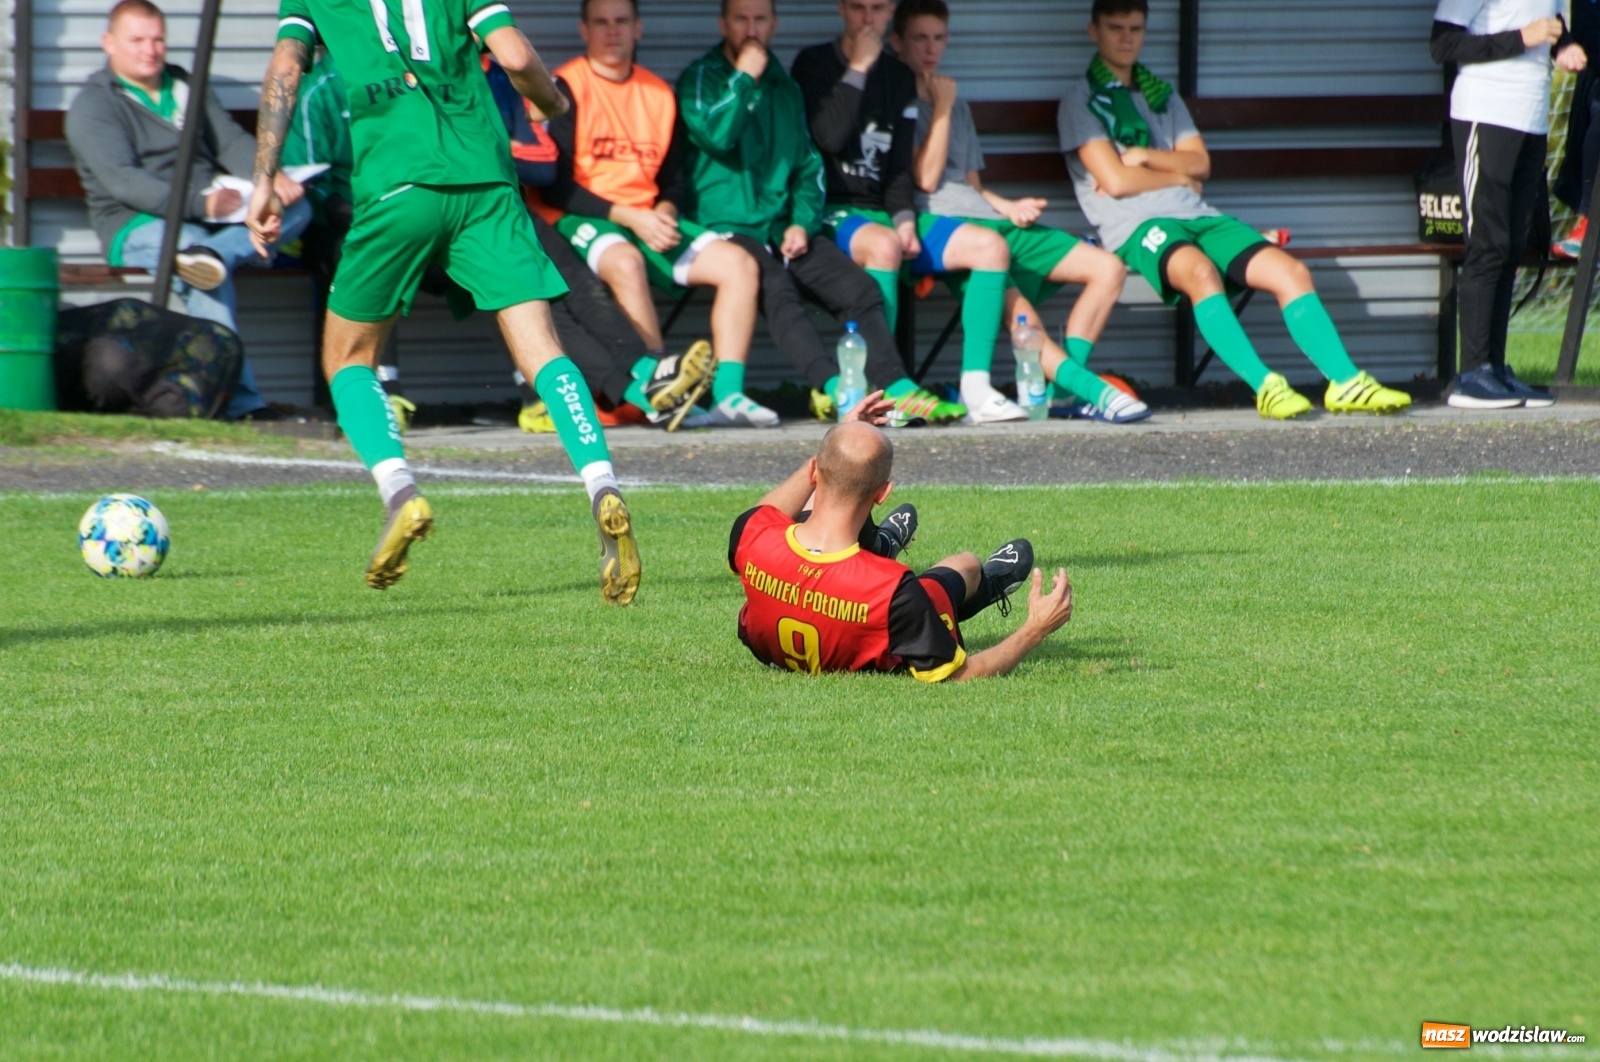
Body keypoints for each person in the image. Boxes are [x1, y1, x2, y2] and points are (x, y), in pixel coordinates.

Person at [251, 0, 643, 603]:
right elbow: (514, 55)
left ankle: (401, 493)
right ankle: (601, 484)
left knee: (349, 359)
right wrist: (554, 102)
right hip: (484, 182)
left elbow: (286, 69)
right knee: (542, 350)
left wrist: (263, 179)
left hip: (398, 184)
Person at [1059, 0, 1412, 419]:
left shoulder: (1160, 94)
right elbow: (1117, 182)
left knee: (1292, 272)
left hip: (1200, 214)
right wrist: (1173, 173)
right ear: (1092, 31)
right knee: (1201, 273)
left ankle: (1345, 380)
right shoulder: (1080, 102)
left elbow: (1201, 164)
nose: (1126, 38)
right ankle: (1266, 386)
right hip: (1139, 224)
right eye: (1115, 28)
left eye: (1135, 28)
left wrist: (1142, 156)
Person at [678, 0, 940, 425]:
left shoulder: (784, 85)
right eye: (741, 19)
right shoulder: (703, 77)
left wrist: (801, 222)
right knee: (778, 286)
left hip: (780, 227)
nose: (751, 29)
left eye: (760, 19)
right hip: (721, 226)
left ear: (774, 24)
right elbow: (715, 136)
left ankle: (894, 387)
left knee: (858, 290)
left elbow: (809, 167)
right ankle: (839, 391)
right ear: (722, 23)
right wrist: (745, 76)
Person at [892, 0, 1148, 424]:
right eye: (920, 38)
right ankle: (1096, 392)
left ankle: (1064, 390)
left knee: (1108, 268)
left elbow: (970, 185)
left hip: (988, 219)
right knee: (1024, 317)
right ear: (898, 42)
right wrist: (938, 105)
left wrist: (1008, 205)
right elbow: (925, 177)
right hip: (946, 230)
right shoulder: (903, 99)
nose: (931, 48)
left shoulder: (956, 103)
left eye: (939, 37)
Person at [66, 0, 311, 421]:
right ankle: (242, 404)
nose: (151, 50)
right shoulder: (95, 105)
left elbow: (231, 143)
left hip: (212, 221)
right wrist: (200, 204)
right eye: (137, 40)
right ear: (109, 43)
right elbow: (125, 182)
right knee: (201, 270)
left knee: (299, 209)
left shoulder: (186, 86)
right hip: (138, 225)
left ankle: (220, 256)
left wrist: (271, 178)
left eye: (158, 39)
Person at [538, 0, 776, 429]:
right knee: (625, 262)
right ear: (583, 30)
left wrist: (664, 210)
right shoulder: (565, 87)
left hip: (647, 217)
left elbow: (674, 182)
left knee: (739, 264)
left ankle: (728, 395)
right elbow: (556, 187)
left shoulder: (658, 92)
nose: (612, 32)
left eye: (622, 22)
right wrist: (630, 217)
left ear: (639, 29)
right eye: (602, 23)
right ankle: (661, 392)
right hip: (582, 218)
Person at [730, 391, 1074, 682]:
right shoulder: (894, 590)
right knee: (965, 565)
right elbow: (959, 677)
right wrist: (1035, 629)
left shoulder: (754, 535)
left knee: (819, 510)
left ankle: (881, 544)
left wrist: (837, 444)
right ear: (884, 493)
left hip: (778, 640)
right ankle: (981, 584)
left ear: (812, 470)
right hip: (869, 600)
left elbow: (763, 514)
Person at [794, 0, 1027, 425]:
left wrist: (904, 219)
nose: (869, 19)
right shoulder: (814, 64)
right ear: (841, 9)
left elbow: (899, 168)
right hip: (831, 209)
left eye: (879, 9)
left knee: (990, 247)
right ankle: (884, 393)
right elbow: (827, 137)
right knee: (883, 247)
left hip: (886, 214)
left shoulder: (897, 76)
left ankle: (976, 387)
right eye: (860, 8)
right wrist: (859, 69)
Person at [1433, 0, 1581, 408]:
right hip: (1486, 113)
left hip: (1530, 120)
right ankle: (1472, 374)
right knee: (1488, 245)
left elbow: (1548, 24)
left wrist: (1562, 45)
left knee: (1512, 248)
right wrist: (1522, 39)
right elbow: (1443, 44)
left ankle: (1494, 369)